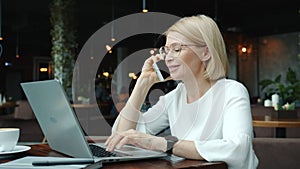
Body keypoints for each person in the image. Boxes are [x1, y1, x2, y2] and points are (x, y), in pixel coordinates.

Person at [105, 14, 258, 169]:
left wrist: (163, 143)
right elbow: (122, 138)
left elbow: (238, 149)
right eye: (166, 50)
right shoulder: (174, 98)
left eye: (177, 49)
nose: (168, 57)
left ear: (205, 53)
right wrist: (142, 84)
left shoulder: (232, 91)